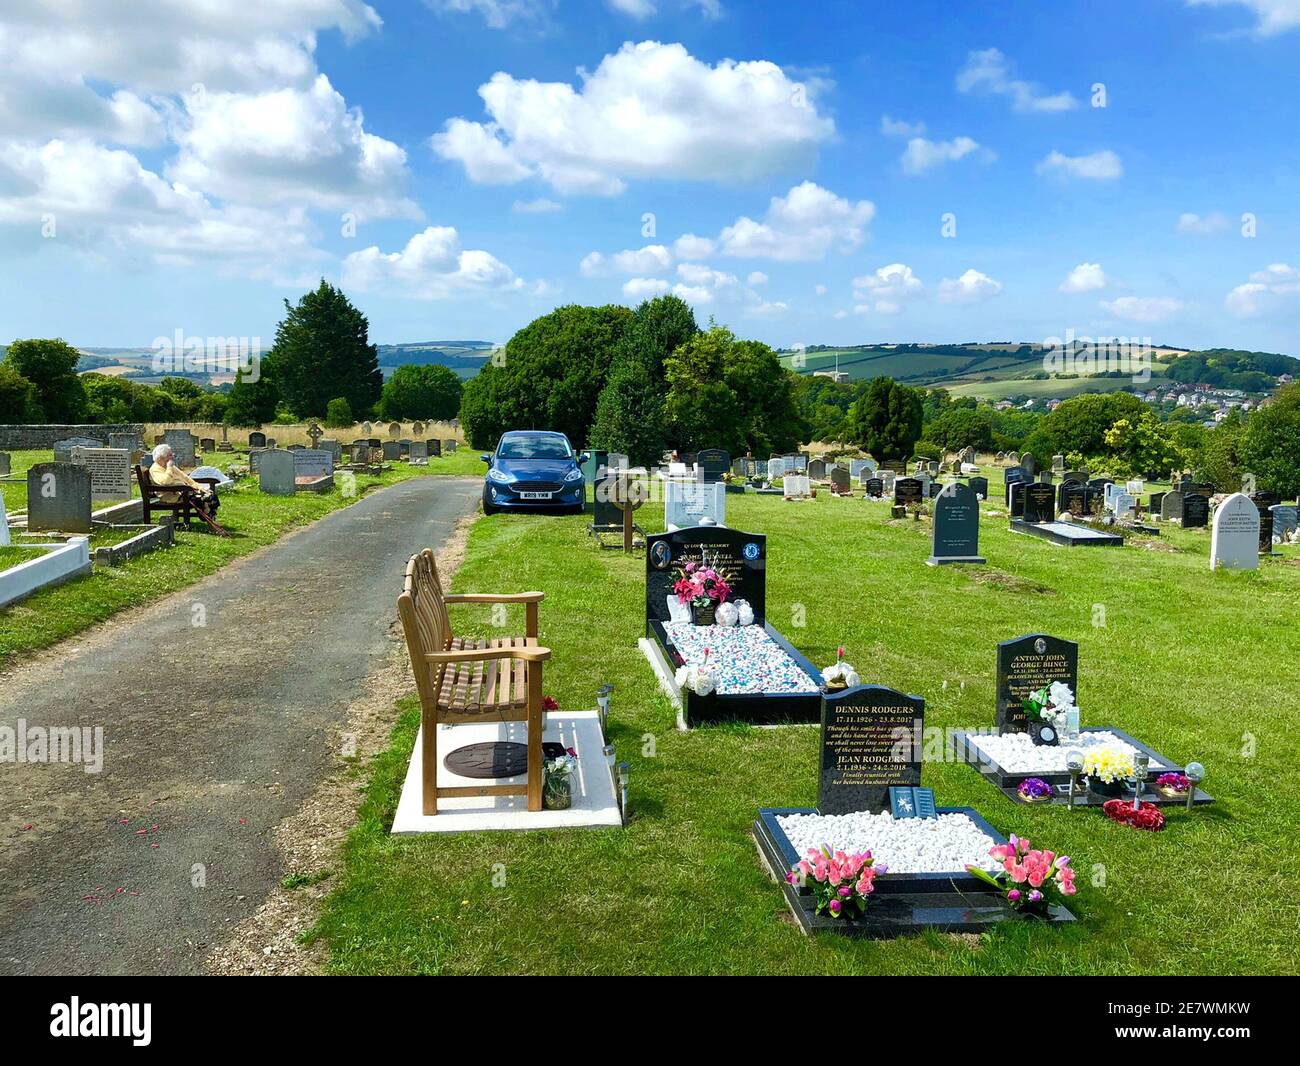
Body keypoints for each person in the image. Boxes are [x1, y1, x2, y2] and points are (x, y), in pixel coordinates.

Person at [148, 443, 221, 519]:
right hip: (171, 496)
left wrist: (200, 488)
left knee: (211, 495)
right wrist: (169, 467)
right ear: (162, 457)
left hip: (183, 492)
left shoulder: (170, 466)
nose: (173, 456)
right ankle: (208, 519)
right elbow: (166, 482)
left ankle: (210, 518)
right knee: (203, 499)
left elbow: (186, 478)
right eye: (170, 455)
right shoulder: (155, 469)